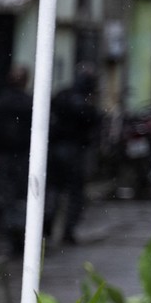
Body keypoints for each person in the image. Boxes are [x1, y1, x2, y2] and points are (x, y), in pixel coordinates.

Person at [0, 65, 33, 257]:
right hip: (24, 159)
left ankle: (16, 238)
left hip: (7, 159)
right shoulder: (30, 104)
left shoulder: (0, 103)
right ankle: (22, 238)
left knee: (9, 200)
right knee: (25, 199)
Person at [46, 64, 103, 244]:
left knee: (54, 191)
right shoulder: (82, 102)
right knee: (73, 193)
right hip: (72, 150)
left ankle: (47, 229)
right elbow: (92, 121)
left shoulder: (63, 96)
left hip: (57, 149)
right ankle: (66, 231)